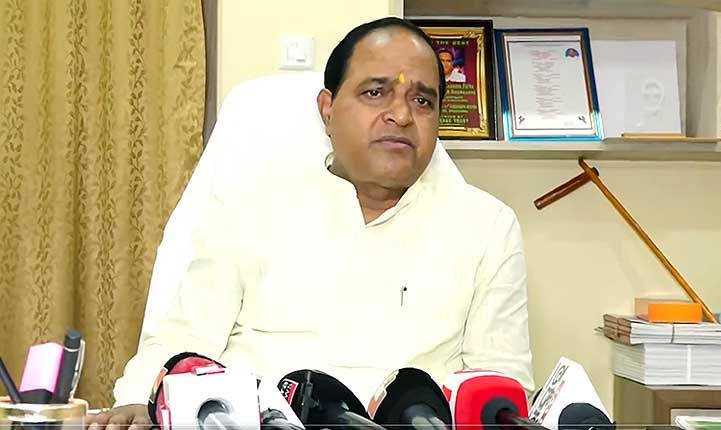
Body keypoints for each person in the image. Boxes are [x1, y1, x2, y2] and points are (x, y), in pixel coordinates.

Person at [87, 17, 533, 430]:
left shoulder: (486, 226)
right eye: (375, 93)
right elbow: (186, 337)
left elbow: (498, 384)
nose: (401, 115)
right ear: (327, 109)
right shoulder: (249, 205)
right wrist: (139, 401)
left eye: (422, 100)